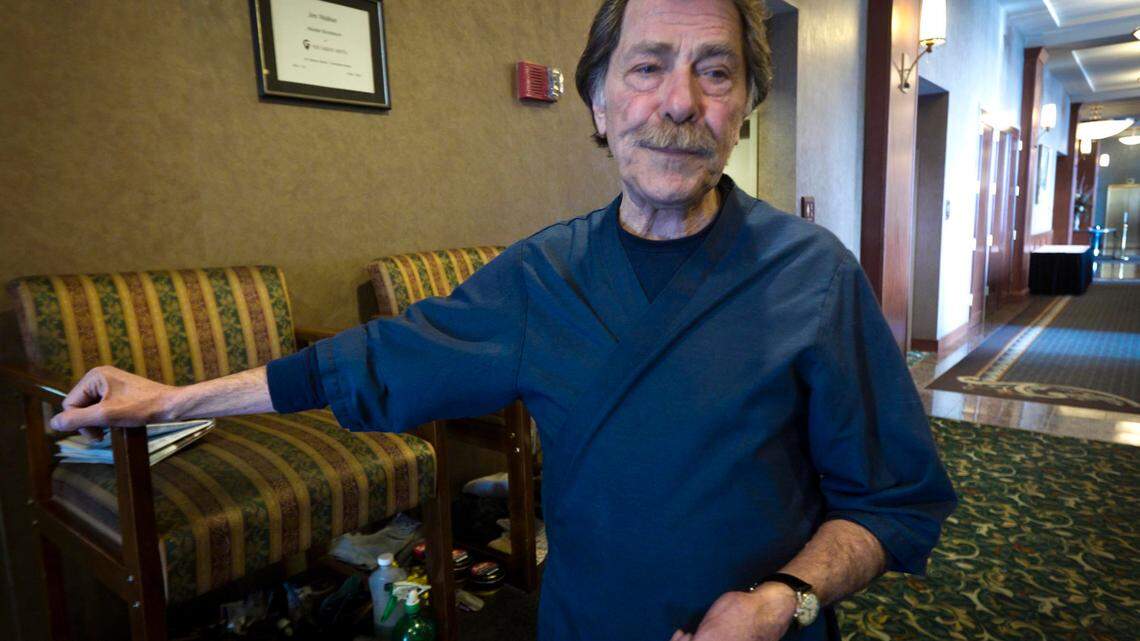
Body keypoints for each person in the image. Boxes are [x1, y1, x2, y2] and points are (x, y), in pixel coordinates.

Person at [50, 0, 957, 639]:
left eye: (714, 71)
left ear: (745, 106)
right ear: (599, 100)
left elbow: (890, 501)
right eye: (647, 67)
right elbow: (373, 360)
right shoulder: (541, 275)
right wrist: (167, 398)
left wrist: (785, 598)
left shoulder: (814, 277)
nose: (680, 101)